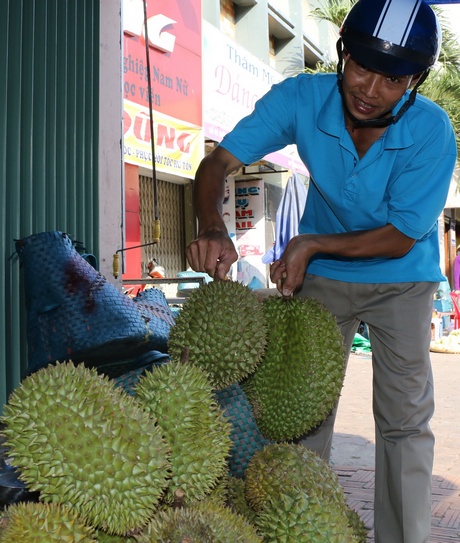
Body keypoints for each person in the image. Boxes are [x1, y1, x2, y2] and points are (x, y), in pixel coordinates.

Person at [186, 1, 457, 541]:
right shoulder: (302, 99)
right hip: (325, 277)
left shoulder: (432, 131)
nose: (370, 89)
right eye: (360, 65)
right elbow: (218, 162)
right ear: (341, 52)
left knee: (404, 422)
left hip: (404, 277)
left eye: (392, 78)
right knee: (300, 414)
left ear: (416, 80)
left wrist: (310, 242)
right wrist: (211, 224)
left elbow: (403, 234)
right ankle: (299, 528)